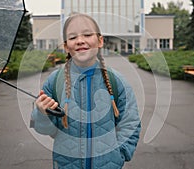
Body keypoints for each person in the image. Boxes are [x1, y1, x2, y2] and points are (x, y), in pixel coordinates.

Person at [31, 13, 141, 169]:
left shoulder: (117, 81)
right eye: (72, 37)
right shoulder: (54, 81)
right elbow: (44, 129)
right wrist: (41, 114)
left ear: (100, 40)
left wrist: (120, 153)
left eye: (88, 34)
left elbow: (131, 123)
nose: (80, 41)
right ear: (66, 46)